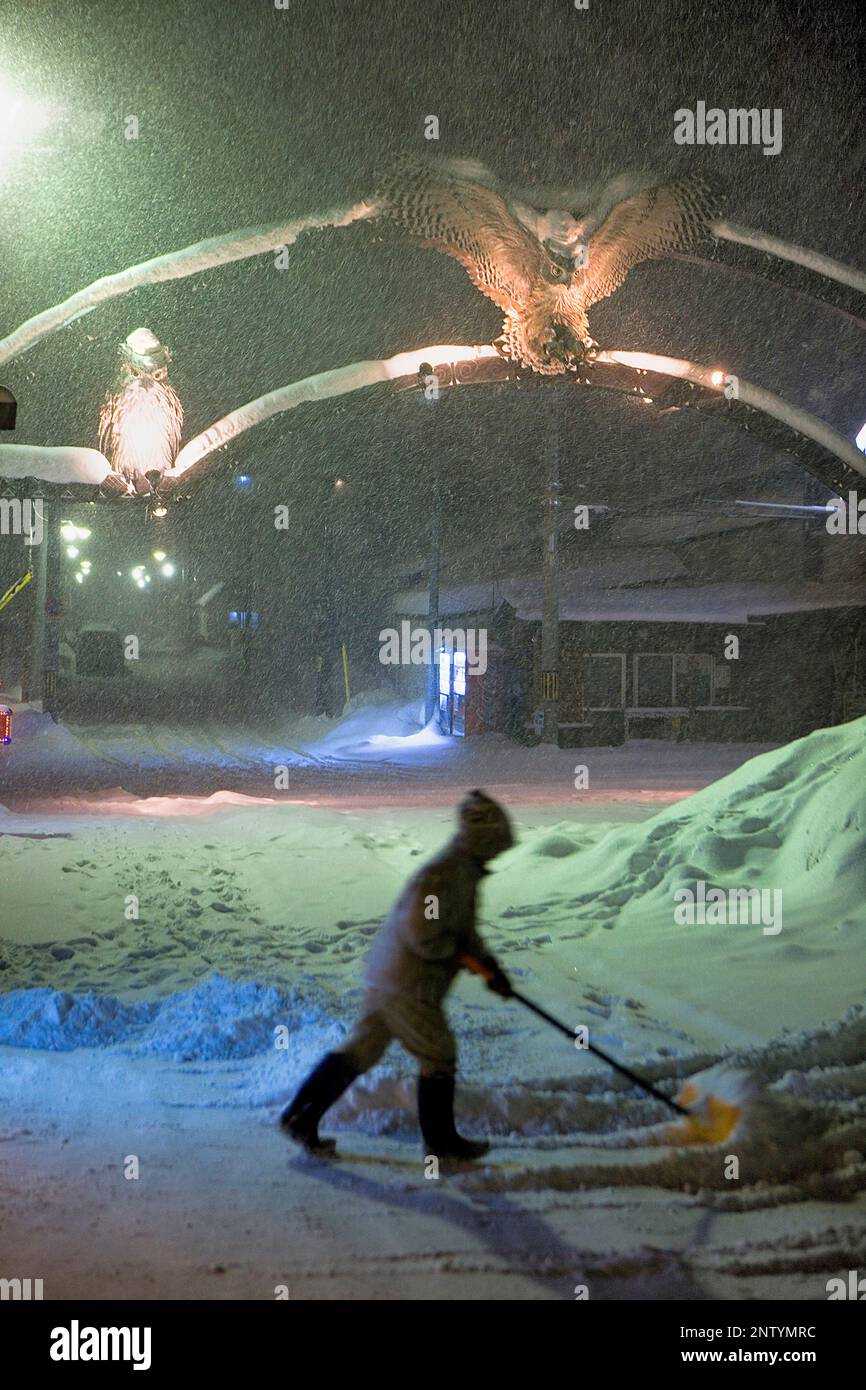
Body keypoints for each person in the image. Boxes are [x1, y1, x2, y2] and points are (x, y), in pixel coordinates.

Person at [280, 789, 515, 1160]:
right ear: (483, 841)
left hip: (388, 977)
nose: (499, 854)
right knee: (439, 1055)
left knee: (361, 1052)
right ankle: (441, 1145)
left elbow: (463, 932)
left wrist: (490, 967)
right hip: (408, 983)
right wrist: (461, 956)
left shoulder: (462, 873)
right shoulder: (443, 876)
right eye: (496, 846)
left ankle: (299, 1118)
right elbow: (424, 930)